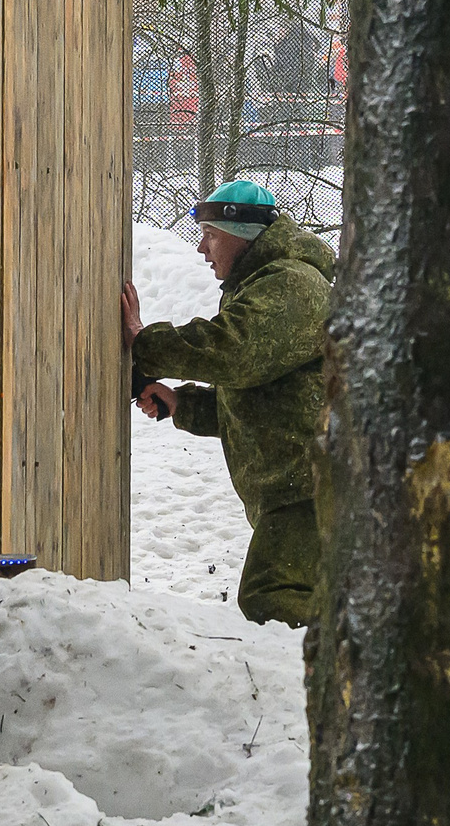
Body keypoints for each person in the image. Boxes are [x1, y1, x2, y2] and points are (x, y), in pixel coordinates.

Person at [120, 180, 331, 629]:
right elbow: (264, 399)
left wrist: (145, 342)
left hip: (309, 486)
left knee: (272, 597)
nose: (201, 247)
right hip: (298, 486)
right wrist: (183, 405)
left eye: (211, 235)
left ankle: (321, 687)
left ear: (243, 234)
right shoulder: (263, 284)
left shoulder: (291, 284)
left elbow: (232, 351)